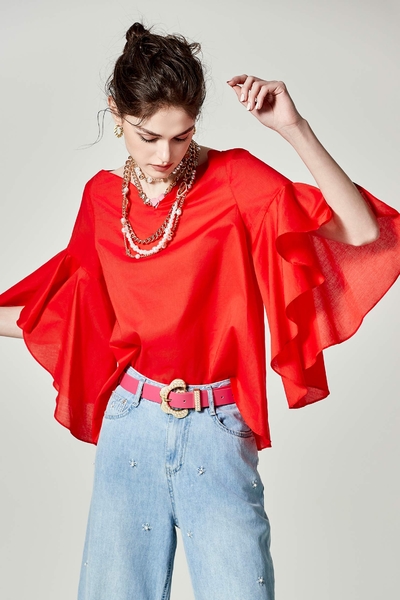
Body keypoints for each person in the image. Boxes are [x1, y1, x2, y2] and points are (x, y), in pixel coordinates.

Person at [0, 21, 399, 600]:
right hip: (130, 428)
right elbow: (69, 309)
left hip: (216, 427)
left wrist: (294, 128)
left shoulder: (234, 178)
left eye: (182, 136)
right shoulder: (101, 198)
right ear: (116, 113)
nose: (165, 155)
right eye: (148, 137)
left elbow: (361, 232)